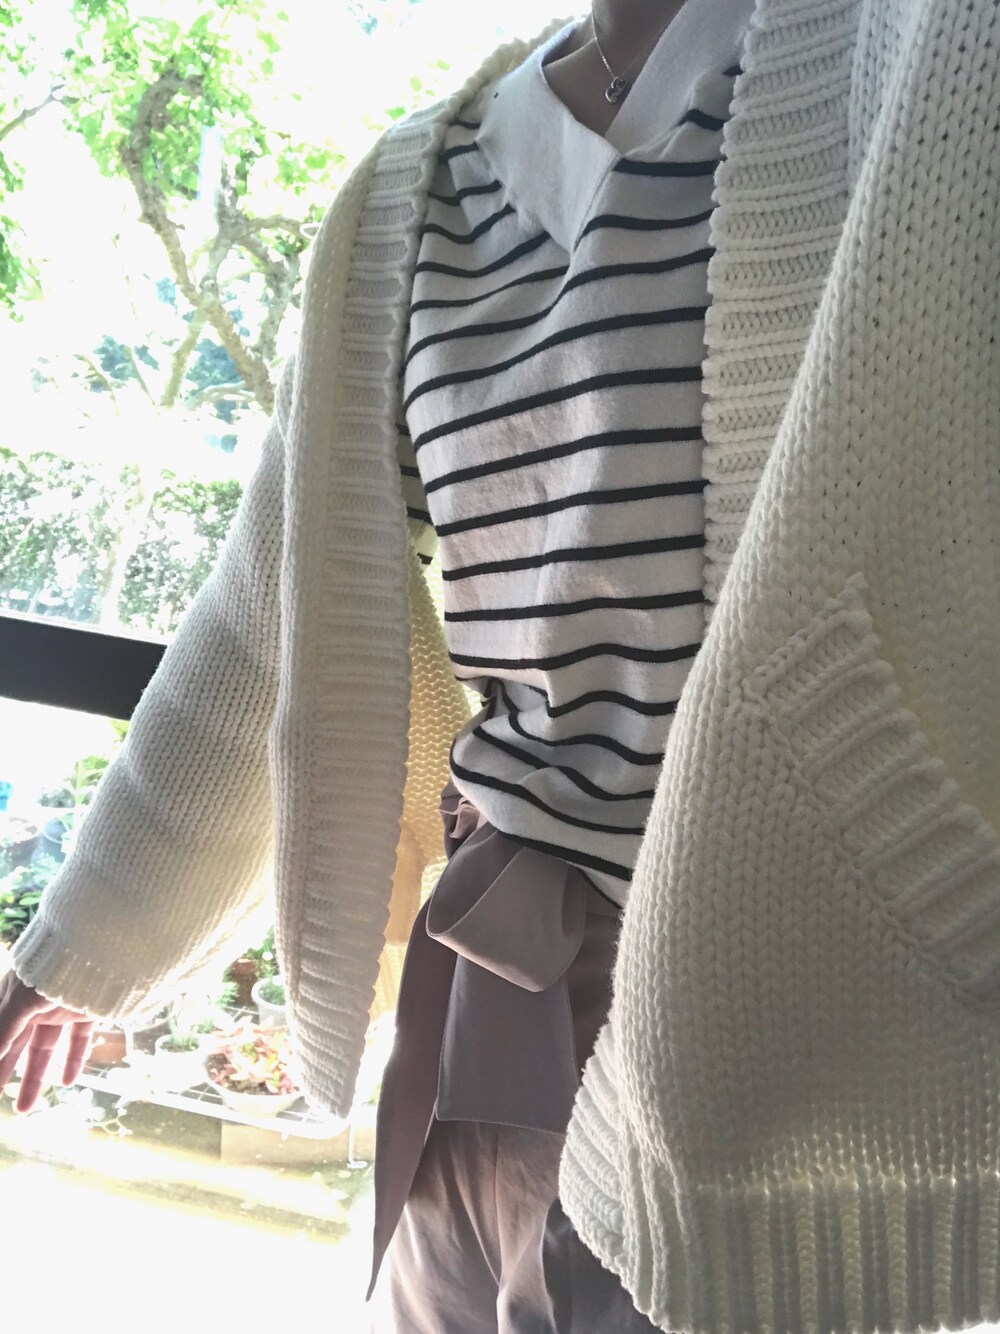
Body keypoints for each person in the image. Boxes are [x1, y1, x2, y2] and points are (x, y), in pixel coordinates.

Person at [2, 1, 999, 1331]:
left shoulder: (928, 61)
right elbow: (269, 608)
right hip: (479, 987)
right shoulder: (414, 186)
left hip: (771, 1019)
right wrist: (89, 935)